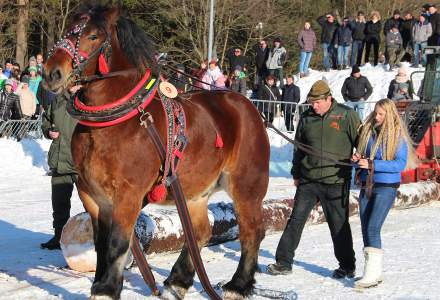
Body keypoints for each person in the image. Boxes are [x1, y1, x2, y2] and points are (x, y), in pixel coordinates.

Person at [267, 80, 360, 278]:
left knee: (339, 224)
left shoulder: (346, 115)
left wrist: (360, 157)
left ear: (329, 98)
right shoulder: (307, 117)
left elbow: (361, 143)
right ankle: (283, 262)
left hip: (335, 181)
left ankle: (347, 265)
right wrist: (296, 173)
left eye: (317, 102)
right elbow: (299, 147)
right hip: (308, 180)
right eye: (311, 102)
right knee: (296, 220)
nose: (313, 106)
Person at [352, 98, 416, 288]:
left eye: (381, 114)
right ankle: (373, 272)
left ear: (389, 115)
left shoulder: (397, 137)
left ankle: (371, 275)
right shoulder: (368, 133)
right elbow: (366, 156)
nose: (377, 117)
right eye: (376, 113)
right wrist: (358, 159)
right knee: (365, 227)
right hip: (367, 184)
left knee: (373, 227)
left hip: (386, 186)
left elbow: (399, 164)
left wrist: (373, 164)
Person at [40, 85, 81, 250]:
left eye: (77, 81)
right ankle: (59, 236)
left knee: (92, 204)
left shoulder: (88, 99)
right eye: (71, 81)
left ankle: (96, 237)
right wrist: (48, 130)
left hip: (82, 162)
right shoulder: (57, 100)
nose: (74, 84)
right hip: (59, 159)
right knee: (59, 203)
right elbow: (46, 120)